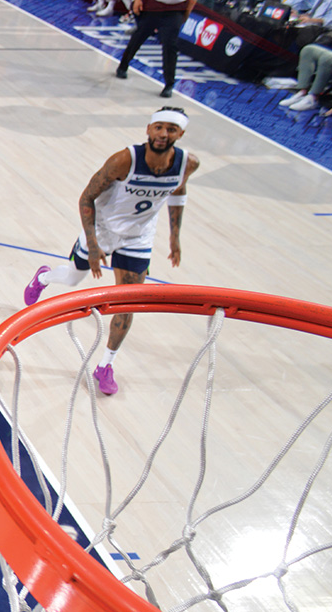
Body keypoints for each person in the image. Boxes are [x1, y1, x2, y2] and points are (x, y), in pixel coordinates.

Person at [23, 108, 200, 396]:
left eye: (171, 129)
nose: (163, 134)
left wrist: (175, 237)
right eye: (158, 127)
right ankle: (43, 278)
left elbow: (179, 192)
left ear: (180, 134)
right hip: (103, 229)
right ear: (148, 129)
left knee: (127, 303)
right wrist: (93, 247)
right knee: (71, 279)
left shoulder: (187, 164)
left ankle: (105, 365)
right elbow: (87, 197)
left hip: (138, 237)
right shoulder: (124, 160)